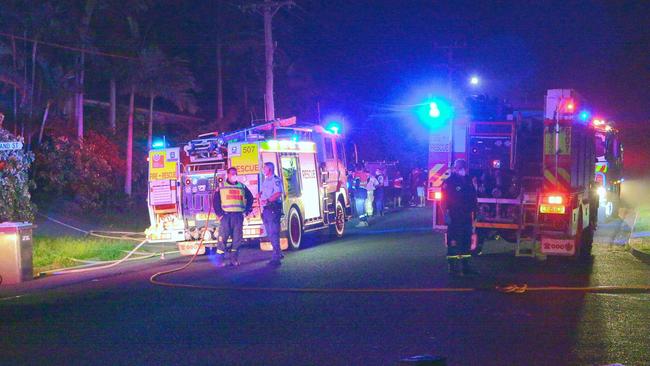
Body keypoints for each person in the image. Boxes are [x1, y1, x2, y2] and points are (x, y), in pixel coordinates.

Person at [441, 159, 478, 276]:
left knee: (466, 241)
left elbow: (473, 198)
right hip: (454, 216)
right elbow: (444, 200)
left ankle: (466, 267)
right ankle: (453, 268)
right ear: (455, 168)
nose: (461, 169)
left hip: (466, 216)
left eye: (463, 167)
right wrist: (445, 214)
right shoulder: (449, 182)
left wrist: (475, 213)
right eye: (459, 167)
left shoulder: (468, 180)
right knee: (453, 241)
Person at [213, 167, 254, 267]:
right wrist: (220, 214)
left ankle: (233, 259)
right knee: (222, 239)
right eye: (232, 173)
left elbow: (250, 198)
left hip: (238, 217)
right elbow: (216, 201)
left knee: (237, 239)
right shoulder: (221, 186)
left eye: (235, 173)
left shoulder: (242, 186)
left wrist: (247, 211)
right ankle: (220, 261)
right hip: (226, 216)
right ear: (227, 174)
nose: (234, 175)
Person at [260, 162, 284, 266]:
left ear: (269, 169)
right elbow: (266, 192)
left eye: (264, 168)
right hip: (266, 209)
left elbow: (278, 193)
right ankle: (278, 252)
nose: (263, 170)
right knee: (270, 233)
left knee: (273, 233)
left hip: (272, 208)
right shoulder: (266, 180)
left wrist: (268, 200)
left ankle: (276, 257)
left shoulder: (275, 180)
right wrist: (260, 194)